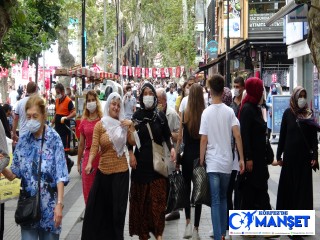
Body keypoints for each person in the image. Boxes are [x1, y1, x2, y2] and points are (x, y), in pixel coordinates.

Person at [1, 95, 69, 240]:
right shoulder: (23, 140)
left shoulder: (54, 139)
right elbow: (14, 174)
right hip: (28, 210)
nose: (31, 120)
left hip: (50, 210)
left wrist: (59, 205)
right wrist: (1, 167)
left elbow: (60, 176)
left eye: (35, 116)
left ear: (43, 115)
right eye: (29, 116)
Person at [81, 92, 133, 240]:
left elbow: (133, 142)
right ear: (108, 105)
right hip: (103, 172)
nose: (116, 107)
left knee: (118, 212)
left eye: (118, 105)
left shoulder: (124, 124)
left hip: (121, 172)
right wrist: (90, 162)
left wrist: (132, 126)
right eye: (113, 104)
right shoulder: (100, 124)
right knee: (95, 209)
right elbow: (94, 146)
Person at [128, 82, 176, 240]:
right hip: (140, 168)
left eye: (151, 93)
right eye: (145, 94)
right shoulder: (136, 117)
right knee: (142, 207)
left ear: (155, 97)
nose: (148, 96)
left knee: (158, 206)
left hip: (158, 168)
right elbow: (130, 140)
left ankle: (159, 235)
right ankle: (144, 235)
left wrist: (173, 149)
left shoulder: (160, 116)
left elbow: (167, 136)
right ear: (141, 97)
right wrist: (131, 154)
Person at [200, 74, 244, 240]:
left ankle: (219, 236)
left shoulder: (206, 113)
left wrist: (201, 158)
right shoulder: (230, 112)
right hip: (227, 162)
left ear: (211, 91)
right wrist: (240, 158)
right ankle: (224, 233)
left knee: (215, 199)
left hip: (212, 163)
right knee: (225, 197)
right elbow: (237, 136)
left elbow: (203, 139)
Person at [276, 86, 319, 210]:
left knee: (303, 191)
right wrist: (279, 156)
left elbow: (313, 139)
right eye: (300, 96)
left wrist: (315, 156)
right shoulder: (287, 113)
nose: (302, 99)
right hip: (289, 159)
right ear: (295, 97)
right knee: (288, 190)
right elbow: (282, 136)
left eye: (304, 96)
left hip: (304, 160)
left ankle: (302, 221)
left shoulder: (309, 114)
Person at [238, 77, 272, 211]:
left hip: (260, 159)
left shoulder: (255, 108)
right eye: (260, 89)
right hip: (253, 160)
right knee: (254, 191)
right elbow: (245, 136)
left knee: (257, 191)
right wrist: (248, 158)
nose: (262, 92)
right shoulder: (247, 109)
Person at [176, 84, 205, 239]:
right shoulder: (204, 114)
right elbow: (205, 139)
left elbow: (180, 136)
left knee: (187, 190)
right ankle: (196, 229)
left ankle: (187, 223)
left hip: (186, 156)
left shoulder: (185, 114)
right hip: (199, 157)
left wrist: (176, 156)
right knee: (198, 193)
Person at [156, 88, 180, 221]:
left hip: (170, 153)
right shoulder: (154, 113)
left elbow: (179, 136)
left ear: (165, 101)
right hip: (158, 153)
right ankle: (162, 208)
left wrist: (167, 134)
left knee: (171, 181)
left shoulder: (172, 114)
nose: (158, 103)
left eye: (159, 100)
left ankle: (173, 210)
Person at [77, 90, 103, 204]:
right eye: (89, 100)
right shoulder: (83, 122)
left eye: (93, 100)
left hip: (101, 158)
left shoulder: (102, 120)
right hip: (88, 159)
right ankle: (90, 216)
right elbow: (81, 144)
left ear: (97, 102)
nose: (91, 102)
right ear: (86, 103)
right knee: (88, 190)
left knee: (100, 191)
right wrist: (78, 162)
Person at [51, 83, 76, 173]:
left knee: (64, 151)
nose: (57, 94)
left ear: (62, 91)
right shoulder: (57, 100)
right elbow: (56, 113)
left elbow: (74, 112)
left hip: (65, 129)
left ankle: (66, 166)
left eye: (58, 92)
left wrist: (67, 117)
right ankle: (69, 163)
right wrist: (51, 123)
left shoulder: (68, 101)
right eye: (56, 92)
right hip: (57, 129)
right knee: (58, 150)